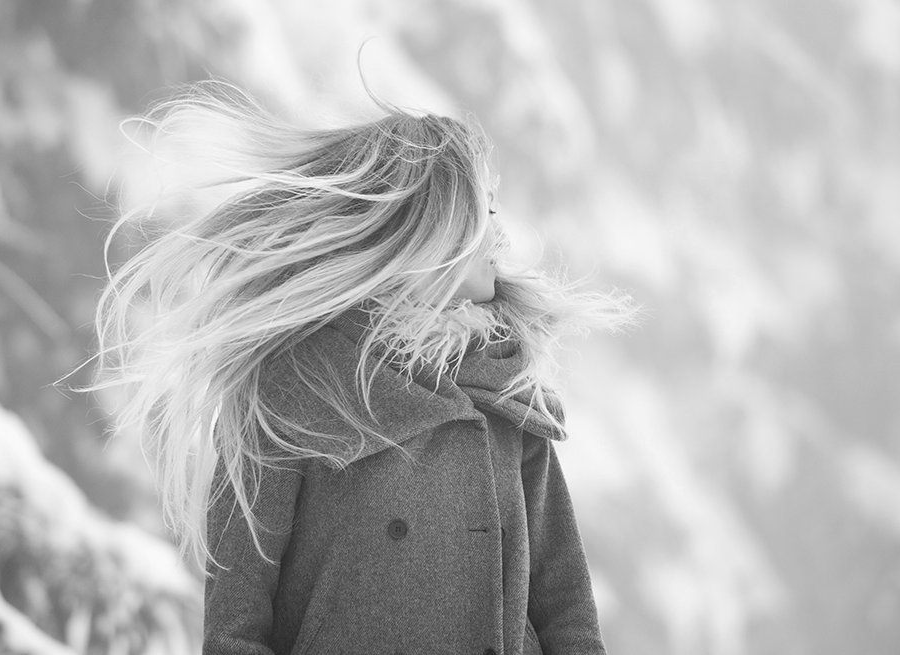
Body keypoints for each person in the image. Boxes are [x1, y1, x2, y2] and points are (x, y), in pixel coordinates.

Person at [91, 81, 634, 654]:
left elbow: (567, 611)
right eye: (483, 212)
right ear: (428, 229)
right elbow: (236, 619)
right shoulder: (295, 385)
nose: (500, 233)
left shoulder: (506, 389)